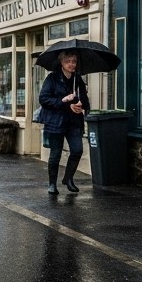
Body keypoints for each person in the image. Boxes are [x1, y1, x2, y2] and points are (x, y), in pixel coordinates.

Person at [38, 50, 91, 194]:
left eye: (74, 61)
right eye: (68, 61)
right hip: (56, 122)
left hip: (73, 122)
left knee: (77, 150)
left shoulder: (78, 79)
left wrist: (81, 106)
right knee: (55, 154)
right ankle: (52, 184)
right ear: (62, 62)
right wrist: (64, 101)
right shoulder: (52, 78)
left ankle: (68, 178)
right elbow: (43, 99)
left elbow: (85, 100)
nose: (72, 64)